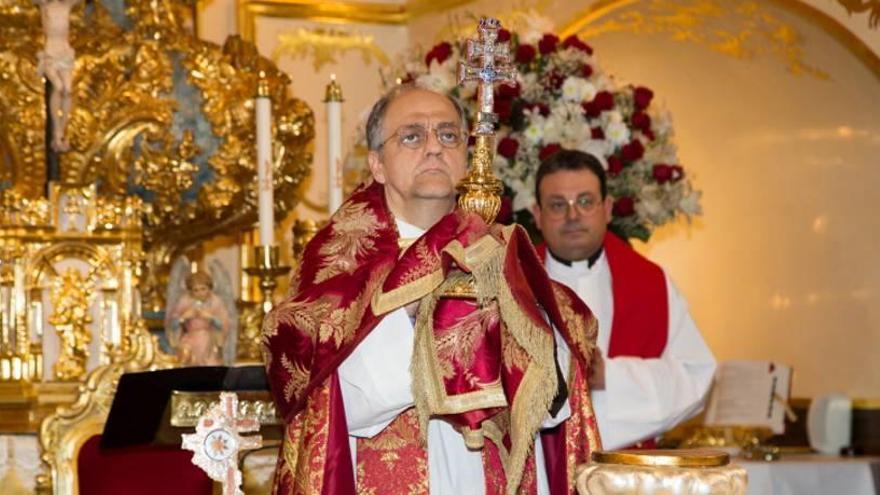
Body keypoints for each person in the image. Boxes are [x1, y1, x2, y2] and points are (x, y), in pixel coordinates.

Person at [263, 85, 600, 495]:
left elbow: (554, 406)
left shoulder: (504, 253)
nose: (434, 148)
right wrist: (415, 304)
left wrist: (524, 315)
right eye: (411, 136)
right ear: (377, 165)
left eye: (448, 134)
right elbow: (329, 399)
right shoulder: (340, 261)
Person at [532, 149, 716, 450]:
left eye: (585, 201)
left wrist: (611, 377)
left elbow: (697, 377)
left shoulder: (650, 283)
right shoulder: (514, 283)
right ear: (537, 215)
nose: (572, 216)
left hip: (623, 471)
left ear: (607, 208)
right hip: (537, 469)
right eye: (557, 205)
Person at [35, 0, 80, 152]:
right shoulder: (44, 5)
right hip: (50, 53)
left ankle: (62, 129)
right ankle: (56, 130)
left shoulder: (66, 5)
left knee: (68, 90)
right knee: (59, 87)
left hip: (65, 52)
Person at [165, 271, 231, 366]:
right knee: (185, 358)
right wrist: (183, 318)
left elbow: (224, 324)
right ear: (191, 291)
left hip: (208, 340)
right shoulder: (184, 301)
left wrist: (211, 317)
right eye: (196, 290)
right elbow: (172, 324)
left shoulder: (215, 302)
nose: (200, 293)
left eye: (203, 289)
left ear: (209, 289)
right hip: (189, 339)